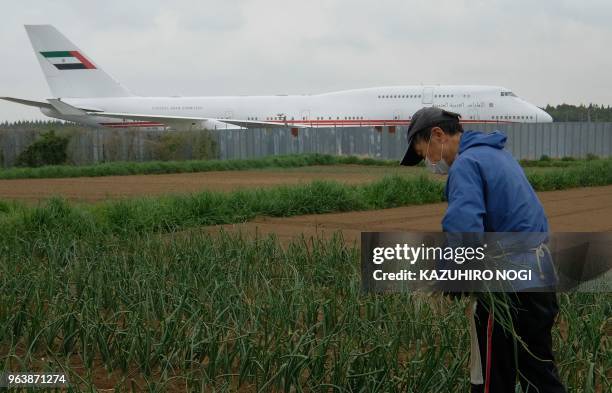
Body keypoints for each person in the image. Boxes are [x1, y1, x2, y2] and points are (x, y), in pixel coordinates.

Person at [399, 107, 566, 393]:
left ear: (438, 135)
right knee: (538, 375)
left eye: (425, 151)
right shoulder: (498, 155)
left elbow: (465, 229)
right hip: (540, 278)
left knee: (491, 379)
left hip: (507, 290)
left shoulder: (467, 164)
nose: (429, 161)